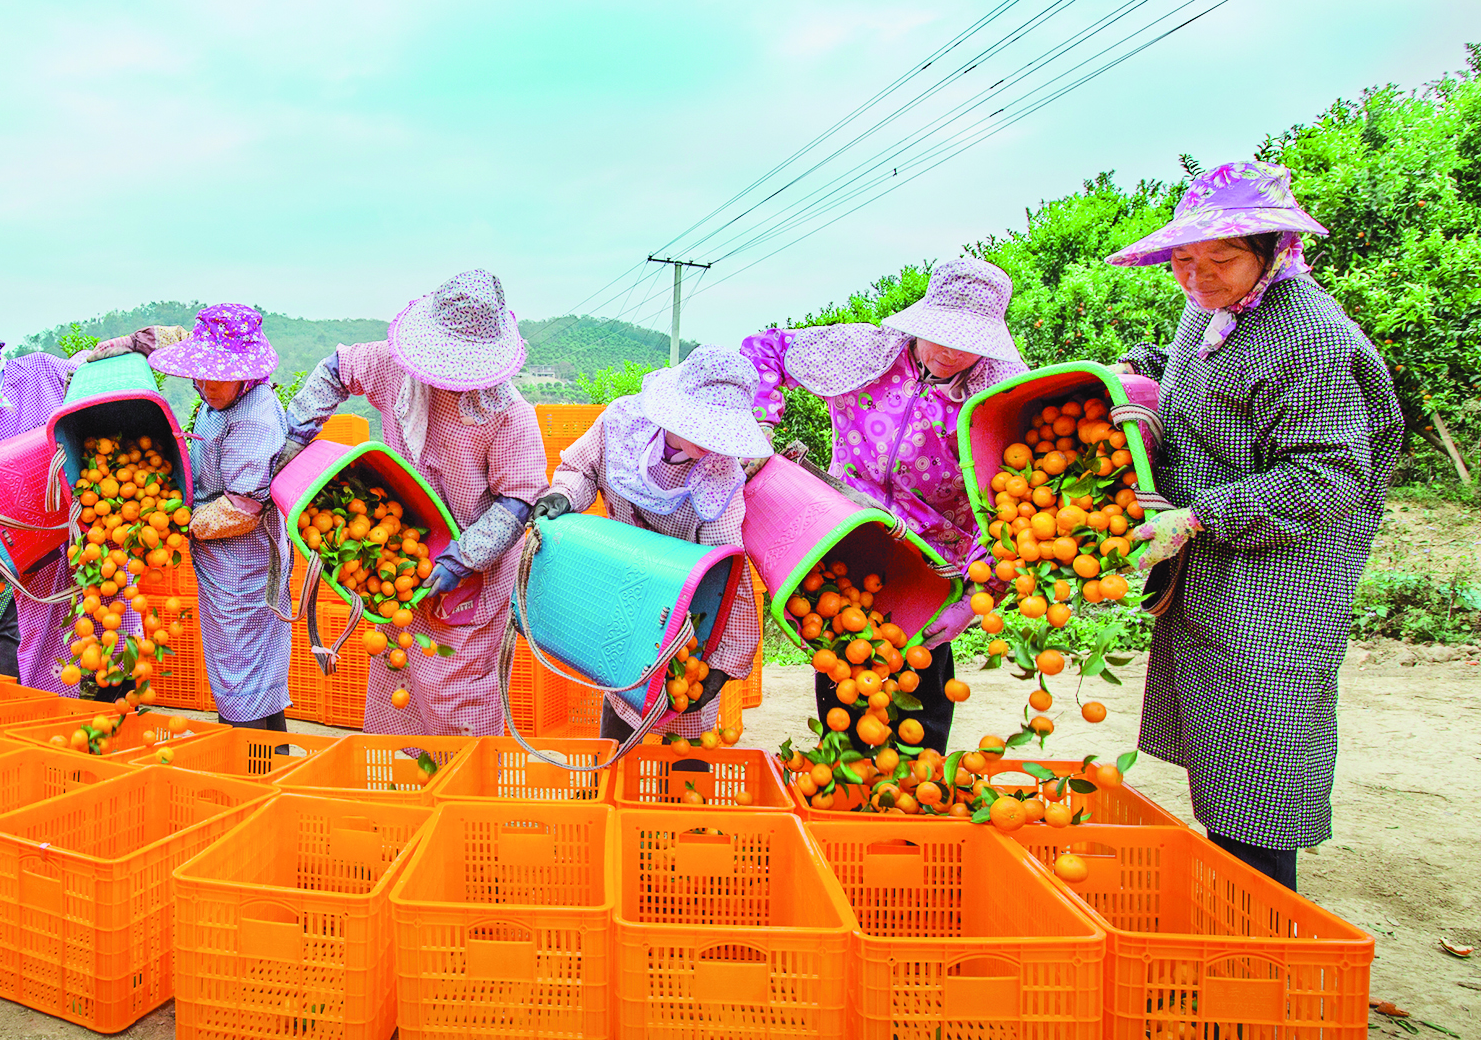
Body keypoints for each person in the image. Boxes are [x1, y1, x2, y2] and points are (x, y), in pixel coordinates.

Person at [1107, 161, 1402, 892]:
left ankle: (1262, 947)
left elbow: (1327, 476)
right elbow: (1185, 371)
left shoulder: (1310, 340)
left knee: (1261, 767)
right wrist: (1126, 373)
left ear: (1273, 251)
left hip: (1277, 583)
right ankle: (1230, 919)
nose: (1197, 277)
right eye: (1182, 260)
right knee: (1223, 758)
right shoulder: (1216, 304)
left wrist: (1201, 514)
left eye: (1220, 258)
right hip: (1215, 566)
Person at [741, 259, 1028, 754]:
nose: (950, 351)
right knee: (844, 670)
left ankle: (914, 806)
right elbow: (764, 350)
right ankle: (843, 797)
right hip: (847, 537)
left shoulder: (1003, 393)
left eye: (968, 342)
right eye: (940, 333)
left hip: (929, 564)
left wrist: (973, 601)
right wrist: (760, 424)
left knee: (921, 701)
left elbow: (1020, 508)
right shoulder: (865, 350)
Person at [283, 269, 547, 737]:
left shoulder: (508, 416)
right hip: (398, 550)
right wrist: (297, 431)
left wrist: (463, 559)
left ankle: (464, 802)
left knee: (456, 699)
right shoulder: (394, 365)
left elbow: (518, 501)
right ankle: (406, 800)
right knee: (398, 685)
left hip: (469, 580)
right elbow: (336, 370)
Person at [0, 311, 183, 694]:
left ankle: (114, 705)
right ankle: (59, 719)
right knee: (47, 639)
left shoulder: (36, 372)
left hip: (87, 528)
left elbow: (89, 377)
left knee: (110, 619)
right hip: (32, 548)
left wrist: (135, 343)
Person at [534, 346, 771, 746]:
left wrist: (723, 664)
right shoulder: (622, 424)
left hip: (682, 610)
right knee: (623, 689)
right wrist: (565, 495)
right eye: (700, 429)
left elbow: (729, 572)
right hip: (623, 584)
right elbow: (581, 468)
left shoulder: (720, 479)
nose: (707, 445)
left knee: (685, 727)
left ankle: (681, 795)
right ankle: (608, 789)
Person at [147, 305, 293, 733]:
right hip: (222, 563)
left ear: (245, 373)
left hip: (243, 563)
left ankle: (257, 763)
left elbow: (242, 508)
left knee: (243, 662)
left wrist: (177, 522)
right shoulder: (220, 401)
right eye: (201, 374)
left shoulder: (255, 414)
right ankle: (264, 757)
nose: (206, 385)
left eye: (217, 375)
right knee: (242, 664)